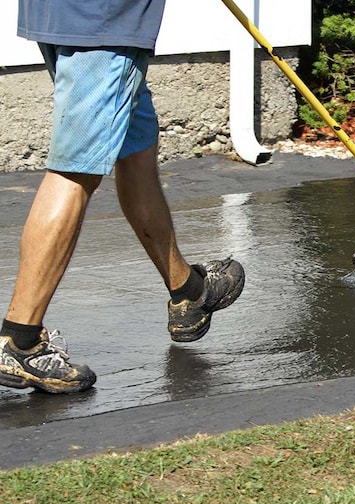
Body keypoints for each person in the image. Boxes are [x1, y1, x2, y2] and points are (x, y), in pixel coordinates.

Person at [0, 0, 245, 394]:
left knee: (135, 148)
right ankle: (20, 340)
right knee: (75, 171)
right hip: (105, 22)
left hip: (63, 14)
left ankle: (188, 291)